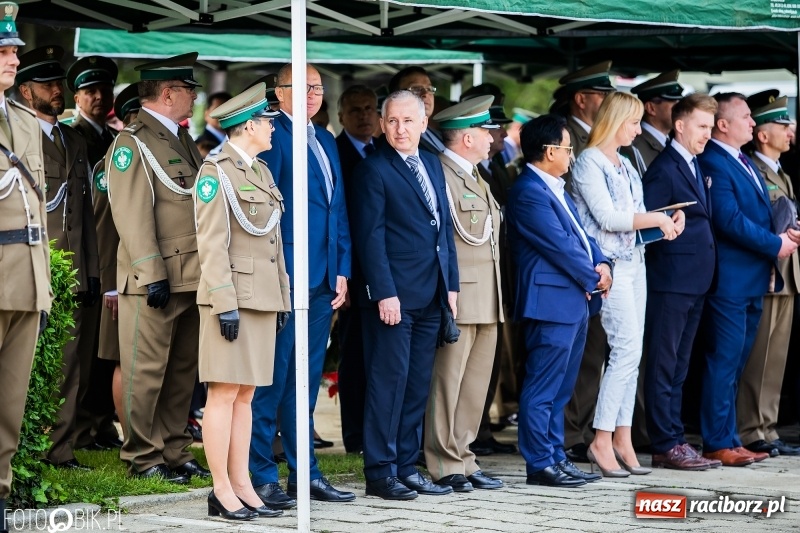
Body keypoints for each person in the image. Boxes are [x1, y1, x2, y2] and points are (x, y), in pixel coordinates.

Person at [249, 62, 354, 508]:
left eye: (317, 86)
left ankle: (305, 474)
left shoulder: (325, 138)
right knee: (272, 383)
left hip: (324, 280)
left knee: (306, 384)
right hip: (287, 276)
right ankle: (260, 475)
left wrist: (343, 268)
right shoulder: (272, 135)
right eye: (302, 86)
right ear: (279, 91)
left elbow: (338, 211)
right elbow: (265, 211)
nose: (312, 93)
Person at [350, 90, 458, 500]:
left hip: (431, 294)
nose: (400, 129)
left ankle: (406, 466)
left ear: (424, 123)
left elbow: (442, 231)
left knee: (416, 386)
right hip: (392, 298)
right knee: (387, 384)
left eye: (408, 121)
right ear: (382, 124)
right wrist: (384, 293)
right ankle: (379, 472)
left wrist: (451, 286)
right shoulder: (372, 170)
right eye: (392, 121)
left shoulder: (431, 163)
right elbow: (370, 238)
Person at [105, 52, 209, 483]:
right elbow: (131, 214)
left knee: (181, 372)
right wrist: (151, 273)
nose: (193, 97)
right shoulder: (132, 142)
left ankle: (173, 448)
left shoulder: (179, 138)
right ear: (168, 93)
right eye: (189, 90)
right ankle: (142, 456)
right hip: (156, 278)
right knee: (144, 373)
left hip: (190, 275)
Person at [571, 91, 684, 477]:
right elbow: (608, 218)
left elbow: (632, 224)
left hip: (635, 262)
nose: (638, 130)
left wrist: (664, 224)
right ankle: (601, 439)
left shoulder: (627, 162)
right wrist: (656, 220)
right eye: (633, 122)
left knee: (632, 354)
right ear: (615, 120)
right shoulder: (589, 161)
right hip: (611, 268)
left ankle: (622, 436)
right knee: (624, 352)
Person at [194, 83, 289, 521]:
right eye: (267, 121)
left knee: (246, 396)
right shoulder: (216, 172)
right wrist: (222, 302)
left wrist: (283, 298)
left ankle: (242, 484)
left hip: (262, 297)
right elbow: (211, 243)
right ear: (248, 125)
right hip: (231, 299)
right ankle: (220, 490)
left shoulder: (261, 172)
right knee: (223, 394)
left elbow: (275, 245)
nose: (272, 127)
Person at [506, 113, 612, 487]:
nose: (572, 155)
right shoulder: (529, 192)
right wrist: (593, 276)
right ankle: (540, 463)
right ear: (550, 151)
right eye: (568, 148)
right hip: (550, 303)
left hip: (572, 301)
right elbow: (561, 247)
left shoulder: (555, 187)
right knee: (542, 388)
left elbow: (583, 238)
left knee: (561, 388)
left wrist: (602, 262)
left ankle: (555, 456)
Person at [698, 92, 798, 466]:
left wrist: (786, 233)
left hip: (752, 278)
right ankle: (717, 441)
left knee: (737, 363)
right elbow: (728, 219)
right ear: (723, 125)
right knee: (723, 362)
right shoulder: (715, 161)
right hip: (730, 280)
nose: (753, 124)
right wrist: (775, 244)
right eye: (746, 117)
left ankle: (731, 437)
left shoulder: (741, 161)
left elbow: (758, 213)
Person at [16, 45, 100, 470]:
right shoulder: (16, 137)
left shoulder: (75, 139)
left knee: (71, 363)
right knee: (27, 366)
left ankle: (60, 450)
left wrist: (92, 271)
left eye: (59, 82)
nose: (57, 90)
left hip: (72, 272)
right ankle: (26, 450)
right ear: (26, 91)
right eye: (47, 84)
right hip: (32, 268)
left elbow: (83, 212)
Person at [424, 96, 504, 492]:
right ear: (467, 136)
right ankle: (443, 460)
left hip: (487, 295)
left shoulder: (475, 175)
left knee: (473, 386)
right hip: (460, 295)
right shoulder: (442, 174)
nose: (492, 138)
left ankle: (465, 456)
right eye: (485, 131)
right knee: (448, 383)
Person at [641, 93, 722, 470]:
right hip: (670, 281)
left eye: (710, 126)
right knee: (663, 362)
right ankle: (664, 443)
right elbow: (648, 229)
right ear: (680, 125)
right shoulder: (663, 169)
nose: (708, 134)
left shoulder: (692, 163)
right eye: (703, 126)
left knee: (678, 366)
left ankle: (675, 438)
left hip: (694, 281)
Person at [0, 4, 51, 528]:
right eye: (5, 51)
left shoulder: (23, 120)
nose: (14, 58)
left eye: (14, 49)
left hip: (26, 280)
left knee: (9, 406)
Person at [556, 62, 616, 464]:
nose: (609, 103)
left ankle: (579, 429)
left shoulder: (594, 137)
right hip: (577, 261)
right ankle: (568, 434)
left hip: (597, 260)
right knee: (577, 355)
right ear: (581, 99)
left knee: (593, 353)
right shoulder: (568, 137)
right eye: (602, 95)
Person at [66, 54, 122, 453]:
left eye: (104, 89)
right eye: (90, 91)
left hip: (114, 257)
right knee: (84, 352)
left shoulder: (114, 139)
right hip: (88, 256)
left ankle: (101, 424)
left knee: (105, 352)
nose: (99, 96)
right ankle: (83, 428)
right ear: (77, 96)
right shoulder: (74, 138)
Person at [738, 95, 800, 457]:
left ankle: (767, 426)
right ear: (762, 134)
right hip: (768, 272)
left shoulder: (781, 172)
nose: (789, 131)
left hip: (788, 273)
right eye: (781, 125)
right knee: (758, 356)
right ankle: (750, 427)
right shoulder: (754, 170)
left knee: (775, 357)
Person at [90, 82, 140, 444]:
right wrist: (112, 283)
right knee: (125, 358)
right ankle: (131, 440)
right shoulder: (116, 160)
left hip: (145, 274)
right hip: (121, 276)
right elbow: (105, 228)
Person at [334, 84, 378, 454]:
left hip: (381, 273)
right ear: (341, 116)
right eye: (356, 110)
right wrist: (343, 274)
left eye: (369, 109)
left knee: (378, 356)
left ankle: (374, 430)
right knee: (353, 357)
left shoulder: (384, 150)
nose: (364, 115)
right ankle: (354, 436)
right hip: (351, 273)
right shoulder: (335, 151)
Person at [388, 66, 444, 153]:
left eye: (429, 89)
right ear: (395, 97)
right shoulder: (395, 140)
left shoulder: (438, 134)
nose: (425, 94)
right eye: (416, 89)